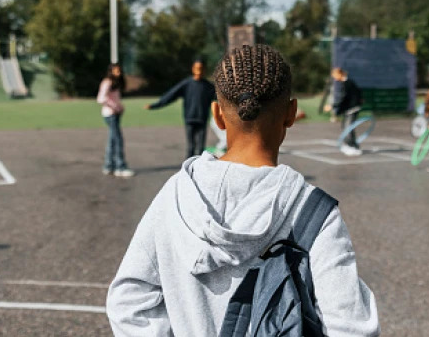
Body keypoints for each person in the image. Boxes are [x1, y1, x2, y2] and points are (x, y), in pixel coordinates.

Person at [107, 45, 380, 336]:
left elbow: (129, 302)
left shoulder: (175, 194)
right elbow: (352, 328)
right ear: (291, 113)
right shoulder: (315, 214)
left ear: (218, 115)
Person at [146, 59, 216, 158]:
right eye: (196, 68)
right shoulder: (186, 84)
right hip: (189, 118)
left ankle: (200, 170)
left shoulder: (208, 86)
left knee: (200, 148)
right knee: (191, 147)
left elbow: (222, 98)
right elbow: (171, 95)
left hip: (202, 119)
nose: (199, 70)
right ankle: (188, 170)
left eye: (201, 68)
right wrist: (156, 105)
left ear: (204, 70)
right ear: (192, 69)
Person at [97, 63, 134, 178]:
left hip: (115, 114)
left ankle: (108, 165)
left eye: (119, 70)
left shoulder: (115, 83)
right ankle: (120, 166)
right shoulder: (107, 82)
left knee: (112, 140)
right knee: (118, 140)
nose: (118, 72)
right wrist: (115, 106)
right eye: (116, 70)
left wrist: (119, 106)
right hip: (110, 114)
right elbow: (101, 98)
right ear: (111, 71)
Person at [325, 67, 363, 156]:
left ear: (339, 74)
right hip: (348, 109)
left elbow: (346, 98)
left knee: (348, 128)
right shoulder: (345, 83)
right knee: (345, 127)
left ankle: (354, 147)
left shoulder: (348, 83)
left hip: (352, 109)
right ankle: (349, 145)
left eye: (335, 75)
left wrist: (333, 106)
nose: (334, 78)